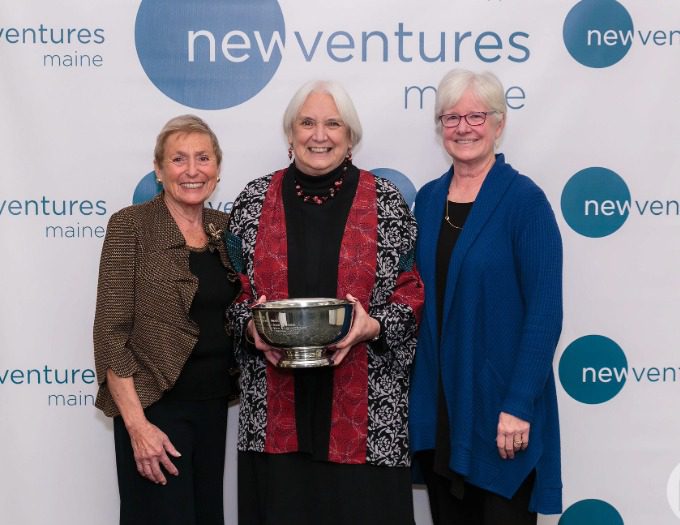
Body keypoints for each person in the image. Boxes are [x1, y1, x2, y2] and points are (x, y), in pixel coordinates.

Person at [226, 80, 424, 525]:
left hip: (367, 420)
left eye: (333, 123)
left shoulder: (388, 202)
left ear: (350, 136)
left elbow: (411, 294)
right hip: (273, 418)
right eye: (307, 122)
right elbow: (233, 293)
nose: (320, 134)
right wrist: (251, 328)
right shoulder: (253, 201)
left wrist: (371, 326)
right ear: (290, 133)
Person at [409, 69, 563, 524]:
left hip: (502, 415)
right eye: (451, 117)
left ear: (499, 123)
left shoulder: (525, 202)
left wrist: (518, 405)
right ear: (440, 128)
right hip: (443, 411)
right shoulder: (430, 200)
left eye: (476, 115)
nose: (463, 127)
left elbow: (545, 313)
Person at [93, 115, 240, 525]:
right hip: (155, 410)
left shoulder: (225, 230)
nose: (192, 171)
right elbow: (110, 334)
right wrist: (137, 427)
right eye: (178, 159)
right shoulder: (131, 226)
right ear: (159, 170)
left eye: (203, 158)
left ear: (217, 168)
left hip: (212, 409)